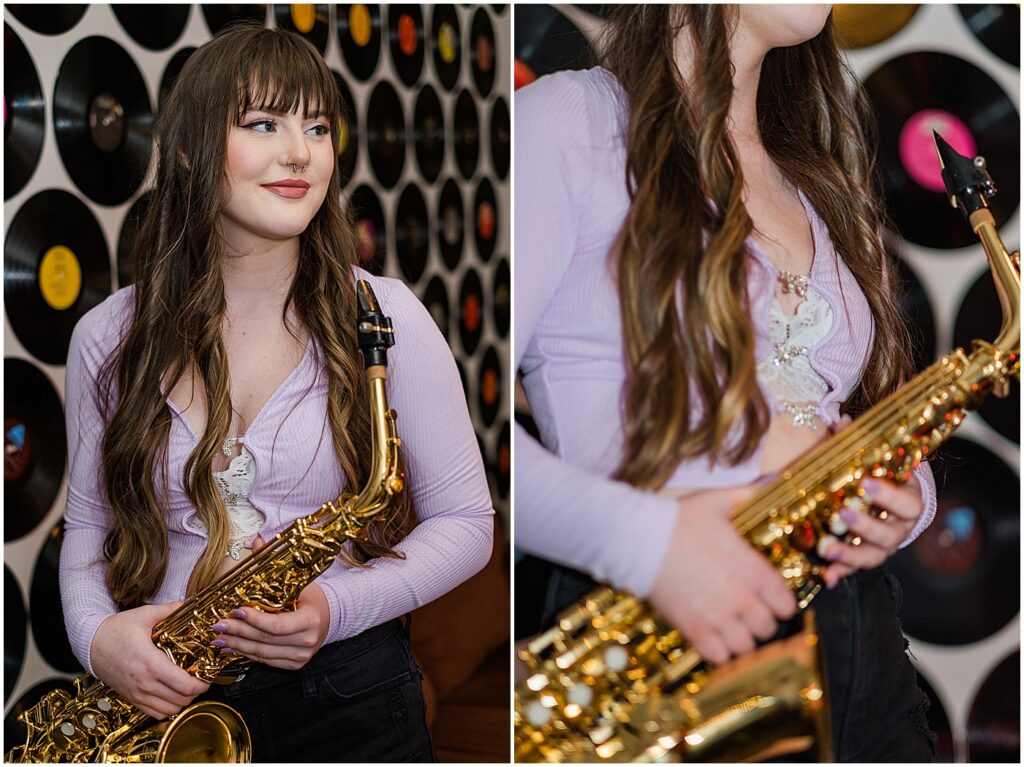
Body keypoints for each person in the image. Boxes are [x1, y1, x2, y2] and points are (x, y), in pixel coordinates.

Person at [60, 24, 493, 763]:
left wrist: (334, 605)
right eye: (264, 123)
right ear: (193, 148)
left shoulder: (386, 318)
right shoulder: (107, 336)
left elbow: (468, 522)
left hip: (351, 699)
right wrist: (100, 640)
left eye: (317, 127)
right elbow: (86, 532)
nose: (300, 151)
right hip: (168, 704)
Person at [515, 5, 936, 761]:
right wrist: (647, 546)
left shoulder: (818, 176)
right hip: (656, 626)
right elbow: (449, 424)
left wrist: (908, 501)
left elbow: (861, 412)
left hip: (859, 631)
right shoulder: (564, 119)